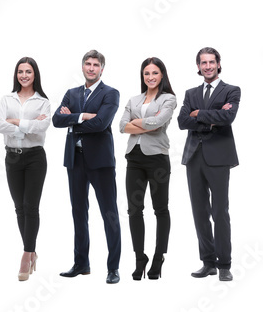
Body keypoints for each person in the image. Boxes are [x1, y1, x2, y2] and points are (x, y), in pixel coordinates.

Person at [52, 50, 122, 284]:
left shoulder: (110, 93)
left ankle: (113, 268)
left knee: (109, 214)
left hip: (100, 162)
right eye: (87, 64)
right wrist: (82, 116)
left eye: (95, 65)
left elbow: (102, 123)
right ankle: (81, 263)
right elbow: (55, 120)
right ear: (82, 67)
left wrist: (72, 119)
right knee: (78, 213)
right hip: (75, 160)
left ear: (102, 68)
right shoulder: (71, 93)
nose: (91, 68)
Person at [179, 47, 239, 282]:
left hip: (219, 158)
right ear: (198, 66)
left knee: (219, 211)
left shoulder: (231, 90)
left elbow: (228, 118)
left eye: (211, 62)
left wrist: (198, 114)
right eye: (203, 63)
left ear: (218, 63)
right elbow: (183, 121)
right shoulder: (190, 92)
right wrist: (210, 117)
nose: (207, 66)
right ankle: (208, 262)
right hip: (194, 157)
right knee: (199, 212)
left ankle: (224, 264)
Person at [0, 57, 52, 281]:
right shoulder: (7, 99)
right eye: (21, 71)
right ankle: (31, 250)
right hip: (12, 158)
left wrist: (15, 122)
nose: (24, 75)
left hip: (35, 158)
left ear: (34, 74)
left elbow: (43, 127)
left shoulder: (43, 102)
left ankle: (27, 254)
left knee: (31, 206)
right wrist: (26, 125)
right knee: (19, 207)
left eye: (28, 71)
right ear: (16, 74)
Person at [119, 57, 176, 281]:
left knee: (160, 209)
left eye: (154, 73)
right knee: (134, 210)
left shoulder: (169, 98)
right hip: (134, 159)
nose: (150, 77)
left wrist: (137, 124)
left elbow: (159, 123)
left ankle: (158, 257)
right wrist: (147, 123)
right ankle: (139, 257)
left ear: (162, 75)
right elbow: (122, 126)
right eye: (146, 74)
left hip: (157, 159)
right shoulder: (134, 99)